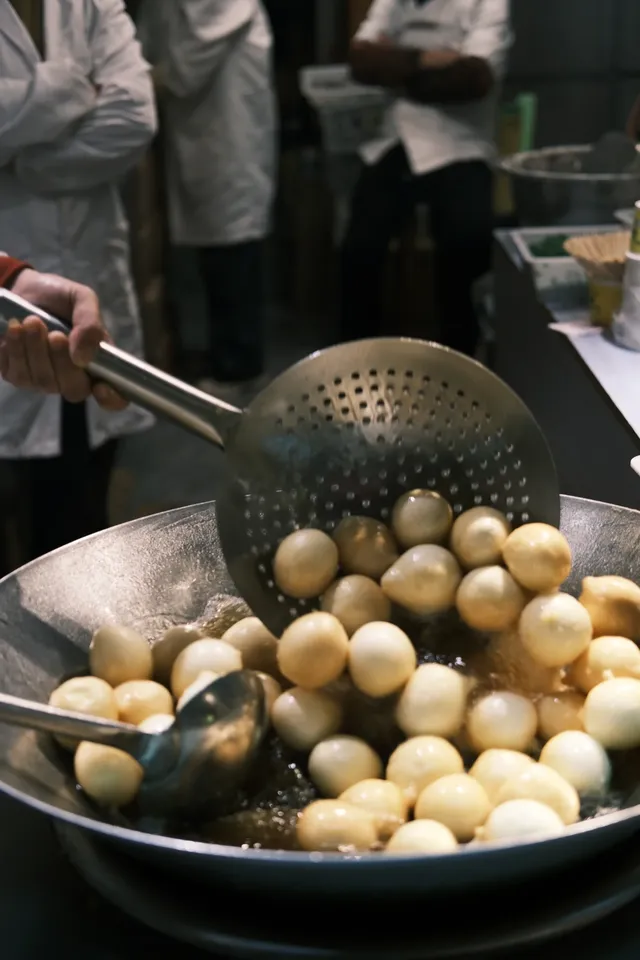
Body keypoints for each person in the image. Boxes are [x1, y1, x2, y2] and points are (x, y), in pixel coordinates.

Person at [0, 0, 156, 565]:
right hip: (16, 301)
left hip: (82, 284)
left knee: (79, 518)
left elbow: (134, 117)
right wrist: (67, 90)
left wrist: (24, 163)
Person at [340, 0, 512, 357]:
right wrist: (424, 61)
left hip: (461, 142)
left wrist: (395, 68)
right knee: (359, 245)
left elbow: (473, 79)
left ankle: (459, 358)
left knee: (466, 242)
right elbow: (360, 61)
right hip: (396, 137)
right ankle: (354, 359)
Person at [136, 0, 277, 385]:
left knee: (233, 249)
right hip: (204, 135)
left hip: (227, 137)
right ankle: (223, 357)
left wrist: (138, 80)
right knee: (217, 255)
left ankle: (240, 368)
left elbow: (186, 69)